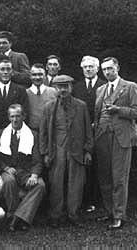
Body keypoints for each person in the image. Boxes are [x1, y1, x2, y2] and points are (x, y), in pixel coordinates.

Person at [94, 57, 137, 229]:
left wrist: (119, 110)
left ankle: (119, 215)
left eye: (110, 69)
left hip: (121, 138)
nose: (107, 72)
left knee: (119, 178)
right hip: (102, 137)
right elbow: (97, 113)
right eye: (104, 69)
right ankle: (109, 212)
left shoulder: (130, 86)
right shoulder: (100, 89)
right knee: (105, 177)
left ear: (117, 68)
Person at [39, 75, 93, 227]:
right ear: (55, 88)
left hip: (77, 150)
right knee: (56, 183)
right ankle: (56, 215)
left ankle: (73, 214)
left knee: (76, 183)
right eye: (59, 86)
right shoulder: (49, 107)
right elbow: (43, 132)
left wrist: (88, 150)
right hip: (57, 150)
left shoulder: (81, 105)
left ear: (71, 87)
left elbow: (88, 129)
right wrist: (45, 153)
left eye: (66, 86)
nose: (63, 89)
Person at [0, 104, 46, 232]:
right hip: (9, 170)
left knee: (40, 185)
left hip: (26, 172)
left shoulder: (33, 134)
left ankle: (18, 218)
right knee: (8, 181)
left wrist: (34, 175)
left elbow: (37, 160)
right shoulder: (2, 133)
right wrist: (6, 168)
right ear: (9, 117)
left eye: (18, 116)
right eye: (12, 116)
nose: (15, 119)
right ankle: (12, 213)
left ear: (23, 117)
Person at [72, 55, 106, 213]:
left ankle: (97, 200)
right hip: (81, 132)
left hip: (100, 131)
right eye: (85, 67)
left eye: (91, 67)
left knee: (99, 165)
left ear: (97, 68)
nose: (88, 69)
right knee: (84, 166)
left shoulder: (104, 85)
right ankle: (85, 200)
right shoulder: (77, 87)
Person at [0, 59, 28, 135]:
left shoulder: (20, 90)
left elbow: (24, 112)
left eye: (8, 69)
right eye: (2, 69)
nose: (5, 72)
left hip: (14, 131)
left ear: (12, 72)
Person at [26, 63, 57, 131]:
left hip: (50, 131)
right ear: (30, 76)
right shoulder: (25, 93)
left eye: (40, 74)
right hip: (32, 131)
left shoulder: (53, 92)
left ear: (45, 76)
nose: (37, 77)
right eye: (34, 75)